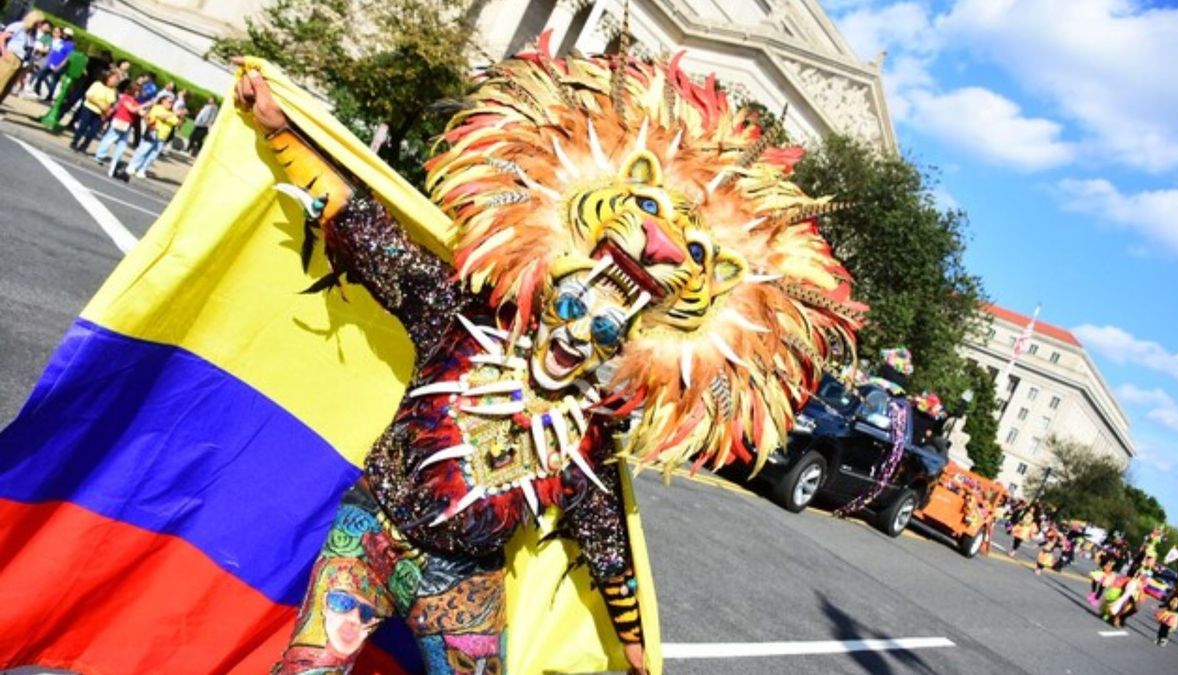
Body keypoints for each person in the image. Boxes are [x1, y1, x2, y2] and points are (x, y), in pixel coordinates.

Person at [227, 26, 864, 670]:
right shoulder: (459, 318)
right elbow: (363, 225)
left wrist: (641, 657)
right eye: (569, 308)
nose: (575, 335)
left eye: (605, 332)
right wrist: (282, 130)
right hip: (367, 538)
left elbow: (608, 549)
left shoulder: (585, 438)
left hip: (462, 580)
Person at [94, 78, 149, 177]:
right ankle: (100, 155)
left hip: (127, 125)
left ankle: (116, 161)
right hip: (120, 122)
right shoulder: (126, 98)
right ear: (132, 90)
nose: (138, 93)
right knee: (110, 138)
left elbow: (140, 112)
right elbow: (132, 109)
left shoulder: (135, 102)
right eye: (137, 91)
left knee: (122, 145)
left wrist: (146, 111)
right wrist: (144, 105)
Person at [127, 92, 180, 178]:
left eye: (172, 102)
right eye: (169, 102)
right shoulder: (158, 108)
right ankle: (132, 166)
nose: (171, 104)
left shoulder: (170, 113)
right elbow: (161, 117)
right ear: (163, 101)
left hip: (162, 137)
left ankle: (142, 169)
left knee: (152, 156)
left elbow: (177, 123)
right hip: (153, 133)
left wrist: (180, 116)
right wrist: (173, 114)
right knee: (143, 151)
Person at [70, 68, 120, 153]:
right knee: (83, 127)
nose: (115, 81)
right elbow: (89, 95)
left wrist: (107, 112)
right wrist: (99, 103)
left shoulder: (113, 91)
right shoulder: (98, 84)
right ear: (108, 78)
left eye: (116, 80)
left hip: (101, 113)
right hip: (89, 108)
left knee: (93, 131)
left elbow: (112, 103)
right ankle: (75, 142)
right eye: (114, 79)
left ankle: (84, 146)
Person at [0, 9, 43, 109]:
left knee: (8, 86)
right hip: (11, 56)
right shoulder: (19, 26)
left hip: (22, 60)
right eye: (38, 22)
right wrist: (4, 52)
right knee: (2, 81)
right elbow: (2, 37)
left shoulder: (33, 33)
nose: (40, 24)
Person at [30, 26, 73, 101]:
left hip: (58, 66)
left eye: (65, 34)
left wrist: (59, 66)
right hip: (50, 63)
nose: (63, 35)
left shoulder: (70, 45)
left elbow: (67, 57)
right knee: (40, 75)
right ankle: (37, 90)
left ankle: (49, 96)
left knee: (54, 82)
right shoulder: (62, 42)